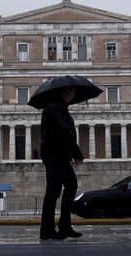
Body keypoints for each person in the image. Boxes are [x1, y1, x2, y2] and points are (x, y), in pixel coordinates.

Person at [39, 87, 84, 240]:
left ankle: (64, 226)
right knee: (53, 191)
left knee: (71, 185)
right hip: (54, 153)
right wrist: (76, 151)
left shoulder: (60, 108)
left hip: (59, 154)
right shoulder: (56, 107)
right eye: (72, 91)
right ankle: (47, 230)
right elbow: (64, 131)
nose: (74, 94)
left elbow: (65, 130)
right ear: (65, 92)